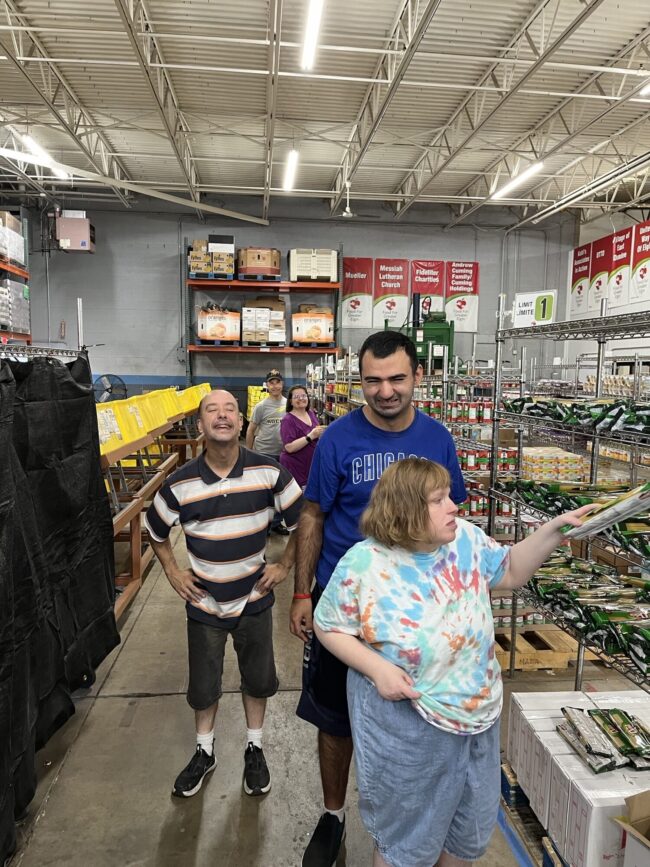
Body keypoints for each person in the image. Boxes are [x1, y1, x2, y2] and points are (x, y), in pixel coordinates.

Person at [313, 458, 594, 867]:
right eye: (438, 500)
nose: (454, 507)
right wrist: (378, 670)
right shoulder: (365, 563)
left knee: (465, 833)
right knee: (404, 842)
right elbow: (330, 626)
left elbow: (511, 569)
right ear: (405, 510)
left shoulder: (465, 539)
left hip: (477, 716)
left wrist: (555, 529)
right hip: (408, 724)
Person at [290, 330, 467, 867]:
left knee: (418, 716)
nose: (385, 390)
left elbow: (453, 521)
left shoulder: (438, 439)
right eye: (373, 380)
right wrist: (302, 592)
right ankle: (333, 815)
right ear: (359, 380)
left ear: (418, 377)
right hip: (346, 608)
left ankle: (414, 817)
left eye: (396, 378)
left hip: (418, 611)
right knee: (335, 716)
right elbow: (313, 515)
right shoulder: (337, 439)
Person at [144, 389, 303, 800]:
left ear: (240, 421)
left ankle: (255, 746)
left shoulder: (270, 473)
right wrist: (173, 572)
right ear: (200, 425)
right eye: (211, 410)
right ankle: (205, 751)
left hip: (254, 600)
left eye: (230, 409)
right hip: (204, 604)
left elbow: (304, 523)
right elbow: (156, 532)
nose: (222, 416)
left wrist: (284, 565)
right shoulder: (179, 484)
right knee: (203, 686)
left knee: (258, 679)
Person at [247, 369, 289, 534]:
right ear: (267, 385)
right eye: (271, 382)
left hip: (284, 454)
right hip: (264, 453)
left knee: (280, 491)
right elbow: (250, 431)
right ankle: (263, 525)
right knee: (264, 492)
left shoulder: (288, 405)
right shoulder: (261, 407)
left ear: (282, 384)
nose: (275, 385)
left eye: (277, 382)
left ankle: (276, 523)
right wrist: (248, 454)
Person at [279, 385, 326, 488]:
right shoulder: (288, 420)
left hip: (310, 466)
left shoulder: (311, 413)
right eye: (296, 396)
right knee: (300, 501)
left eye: (304, 395)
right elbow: (289, 447)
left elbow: (316, 433)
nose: (301, 398)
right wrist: (310, 436)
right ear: (290, 401)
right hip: (296, 468)